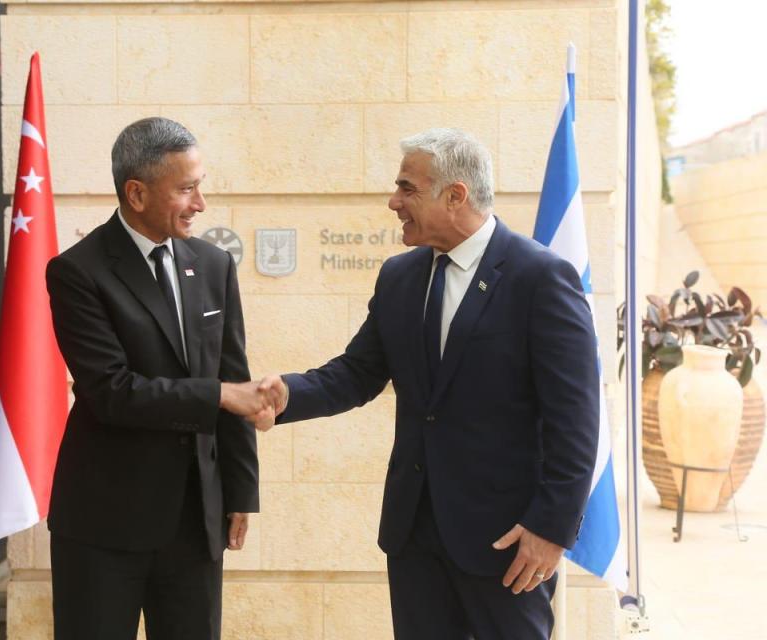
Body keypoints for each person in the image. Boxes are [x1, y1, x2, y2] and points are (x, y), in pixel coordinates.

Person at [255, 128, 600, 640]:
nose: (394, 202)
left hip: (509, 542)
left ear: (455, 195)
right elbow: (357, 372)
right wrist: (286, 394)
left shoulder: (540, 277)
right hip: (414, 533)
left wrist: (551, 530)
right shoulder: (400, 277)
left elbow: (576, 417)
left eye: (407, 188)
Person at [45, 117, 271, 640]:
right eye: (187, 189)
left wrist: (240, 492)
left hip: (195, 523)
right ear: (137, 192)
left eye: (201, 186)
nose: (200, 204)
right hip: (103, 527)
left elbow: (232, 374)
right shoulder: (78, 272)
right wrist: (219, 395)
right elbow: (110, 392)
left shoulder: (215, 265)